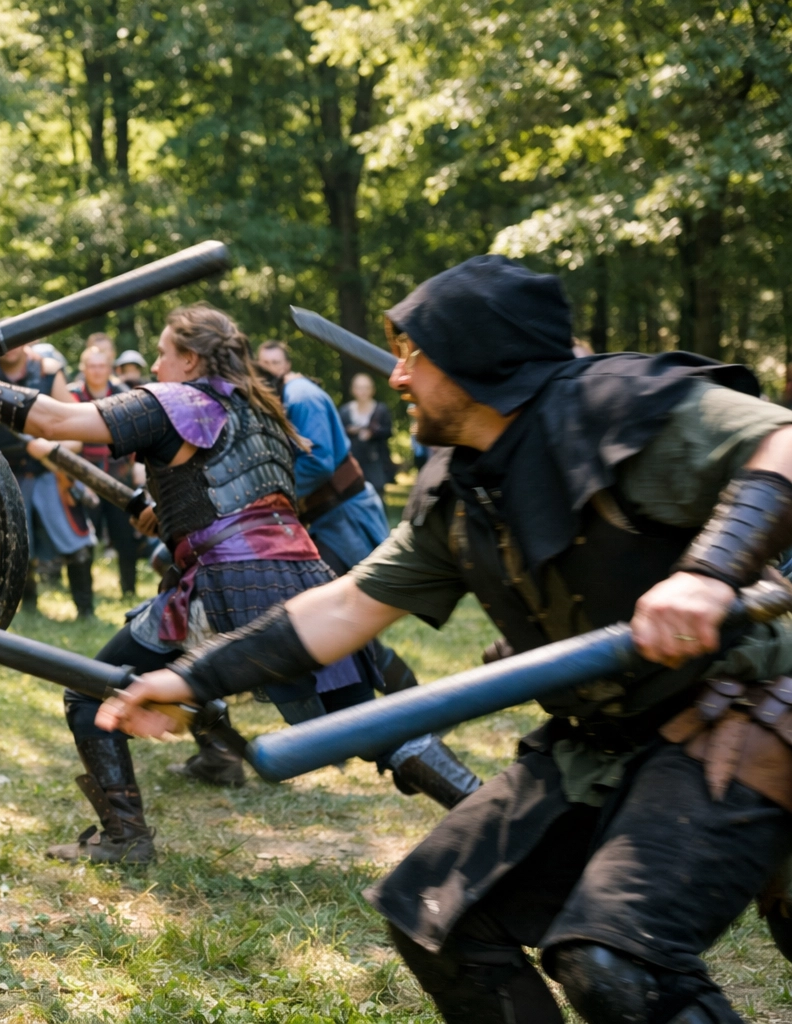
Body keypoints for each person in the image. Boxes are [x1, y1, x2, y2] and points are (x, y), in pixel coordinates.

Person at [101, 255, 792, 1024]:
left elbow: (783, 442)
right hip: (598, 742)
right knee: (437, 920)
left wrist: (709, 571)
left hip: (738, 716)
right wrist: (194, 680)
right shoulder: (462, 494)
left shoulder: (622, 408)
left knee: (615, 965)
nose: (397, 379)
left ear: (477, 362)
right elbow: (340, 609)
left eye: (413, 358)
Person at [0, 303, 378, 863]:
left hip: (227, 584)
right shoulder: (262, 409)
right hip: (305, 579)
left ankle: (126, 838)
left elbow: (57, 422)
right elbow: (231, 497)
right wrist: (164, 516)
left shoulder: (178, 400)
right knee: (374, 721)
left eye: (165, 353)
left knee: (90, 690)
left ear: (190, 360)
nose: (157, 365)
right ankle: (459, 793)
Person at [169, 340, 478, 798]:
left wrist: (254, 498)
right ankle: (413, 714)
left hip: (341, 521)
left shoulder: (304, 397)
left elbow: (317, 464)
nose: (266, 374)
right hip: (313, 525)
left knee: (344, 625)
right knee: (337, 628)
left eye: (273, 365)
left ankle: (415, 714)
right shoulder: (270, 402)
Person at [0, 334, 86, 614]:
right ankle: (28, 608)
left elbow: (78, 430)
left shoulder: (48, 371)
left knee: (75, 542)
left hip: (51, 473)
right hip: (8, 474)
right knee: (17, 545)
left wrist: (51, 448)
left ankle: (85, 608)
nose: (9, 346)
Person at [68, 346, 141, 599]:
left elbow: (136, 435)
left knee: (125, 539)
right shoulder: (71, 396)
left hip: (118, 476)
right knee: (82, 541)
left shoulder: (123, 394)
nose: (97, 371)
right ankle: (84, 602)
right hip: (83, 477)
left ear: (109, 368)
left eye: (102, 366)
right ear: (84, 368)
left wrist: (137, 470)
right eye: (92, 366)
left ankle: (129, 591)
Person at [340, 371, 396, 497]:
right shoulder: (345, 411)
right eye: (359, 388)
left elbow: (388, 431)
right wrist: (349, 431)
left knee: (377, 497)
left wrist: (373, 433)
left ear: (373, 390)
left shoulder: (381, 409)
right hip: (352, 464)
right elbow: (338, 434)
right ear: (353, 390)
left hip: (375, 463)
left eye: (366, 388)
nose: (363, 391)